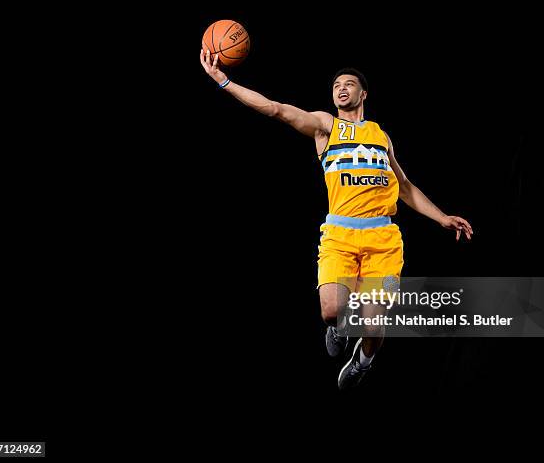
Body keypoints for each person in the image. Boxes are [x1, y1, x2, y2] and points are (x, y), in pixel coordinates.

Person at [199, 49, 473, 389]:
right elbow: (276, 109)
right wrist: (224, 81)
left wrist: (442, 217)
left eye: (350, 83)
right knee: (331, 312)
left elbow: (404, 186)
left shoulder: (380, 137)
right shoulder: (326, 126)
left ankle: (363, 360)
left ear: (364, 94)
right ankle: (339, 327)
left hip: (384, 243)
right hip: (339, 236)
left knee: (374, 327)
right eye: (336, 85)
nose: (341, 88)